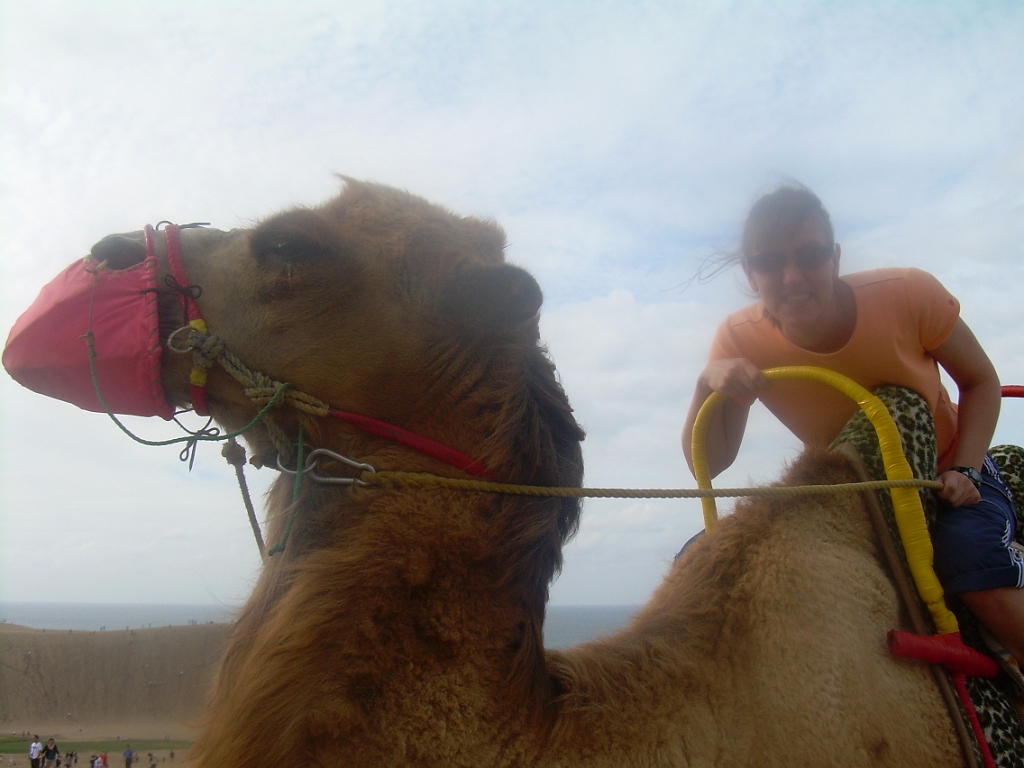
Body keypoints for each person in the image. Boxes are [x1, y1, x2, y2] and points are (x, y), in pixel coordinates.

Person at [682, 184, 1024, 663]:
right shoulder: (739, 339)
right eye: (769, 262)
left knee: (969, 554)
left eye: (810, 255)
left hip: (946, 475)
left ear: (836, 258)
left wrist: (965, 470)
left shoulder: (907, 294)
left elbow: (981, 380)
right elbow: (711, 463)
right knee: (700, 562)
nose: (792, 276)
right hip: (850, 498)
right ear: (750, 272)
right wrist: (708, 385)